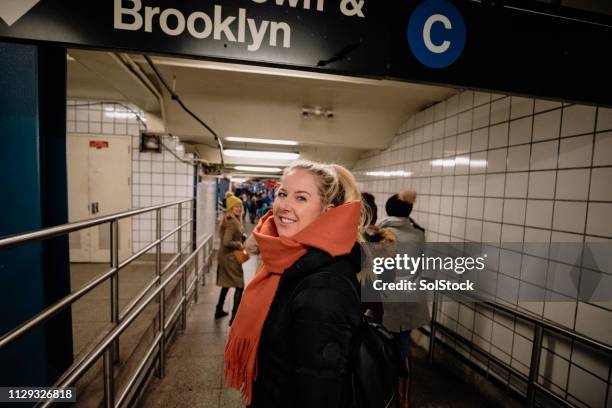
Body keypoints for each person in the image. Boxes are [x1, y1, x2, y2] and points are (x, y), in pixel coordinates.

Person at [224, 160, 364, 408]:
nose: (284, 206)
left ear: (327, 212)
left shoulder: (323, 287)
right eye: (282, 194)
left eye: (301, 198)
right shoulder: (287, 263)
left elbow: (320, 391)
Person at [378, 190, 428, 408]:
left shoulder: (379, 233)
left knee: (379, 342)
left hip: (384, 298)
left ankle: (382, 391)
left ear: (388, 210)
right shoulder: (418, 233)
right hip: (408, 297)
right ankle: (404, 399)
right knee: (403, 344)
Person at [215, 194, 246, 325]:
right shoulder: (232, 221)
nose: (239, 208)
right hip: (230, 257)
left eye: (240, 206)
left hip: (225, 256)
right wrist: (239, 244)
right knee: (240, 285)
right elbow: (227, 242)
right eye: (236, 206)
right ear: (231, 208)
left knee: (227, 284)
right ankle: (235, 318)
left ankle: (219, 310)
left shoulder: (229, 218)